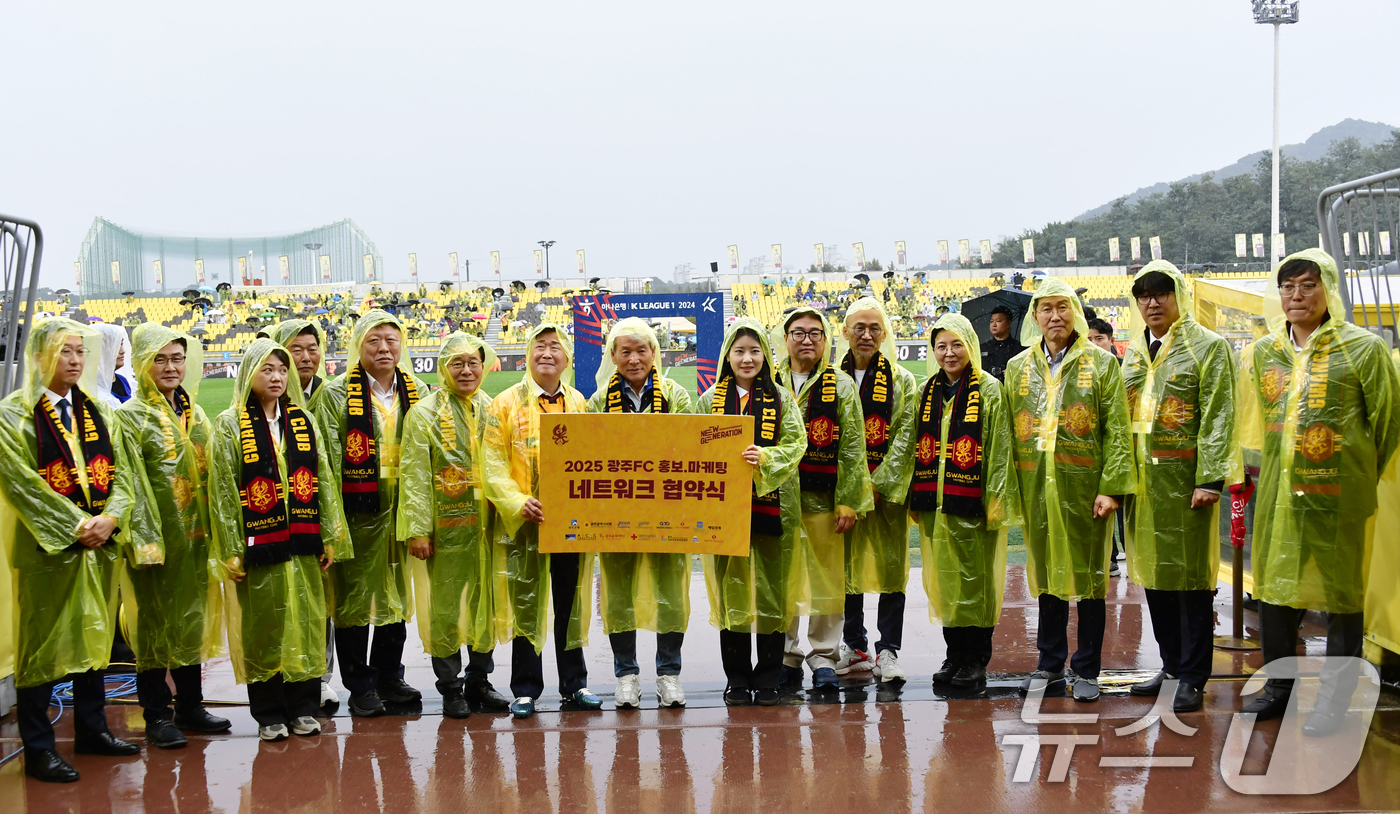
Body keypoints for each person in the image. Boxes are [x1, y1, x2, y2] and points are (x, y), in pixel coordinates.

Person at [1237, 249, 1400, 734]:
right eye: (1288, 287)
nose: (1296, 296)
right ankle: (1279, 688)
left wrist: (1355, 474)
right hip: (1279, 497)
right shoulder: (1264, 352)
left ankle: (1335, 699)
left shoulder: (1362, 349)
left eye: (1308, 285)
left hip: (1339, 497)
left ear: (1328, 290)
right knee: (1274, 593)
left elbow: (1388, 424)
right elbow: (1252, 424)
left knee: (1342, 598)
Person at [0, 318, 141, 782]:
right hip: (48, 549)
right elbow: (23, 486)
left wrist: (112, 518)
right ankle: (39, 746)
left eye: (81, 352)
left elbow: (123, 475)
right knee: (41, 645)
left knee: (94, 637)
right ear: (41, 355)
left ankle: (92, 730)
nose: (76, 360)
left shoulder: (99, 411)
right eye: (65, 351)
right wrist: (80, 524)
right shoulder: (13, 415)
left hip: (99, 547)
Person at [208, 339, 351, 741]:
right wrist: (232, 550)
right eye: (267, 369)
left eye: (281, 370)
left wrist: (330, 536)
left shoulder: (302, 421)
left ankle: (303, 707)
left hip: (303, 539)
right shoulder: (229, 424)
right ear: (249, 373)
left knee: (306, 622)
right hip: (260, 542)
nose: (276, 377)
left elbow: (322, 482)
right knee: (265, 624)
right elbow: (222, 492)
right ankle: (269, 712)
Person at [1006, 278, 1134, 702]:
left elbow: (1117, 429)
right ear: (1035, 316)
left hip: (1085, 491)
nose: (1055, 316)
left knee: (1091, 579)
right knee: (1046, 578)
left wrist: (1111, 488)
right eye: (1046, 309)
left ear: (1074, 313)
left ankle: (1088, 668)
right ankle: (1049, 664)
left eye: (1063, 307)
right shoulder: (1018, 367)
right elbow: (1009, 435)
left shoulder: (1101, 364)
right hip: (1036, 490)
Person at [1120, 262, 1238, 713]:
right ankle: (1171, 664)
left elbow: (1219, 415)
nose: (1152, 303)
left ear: (1178, 297)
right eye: (1144, 296)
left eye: (1161, 294)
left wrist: (1210, 478)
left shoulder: (1209, 348)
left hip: (1187, 482)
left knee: (1191, 582)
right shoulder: (1134, 352)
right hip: (1144, 486)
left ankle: (1193, 674)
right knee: (1155, 578)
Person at [117, 325, 230, 749]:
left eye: (177, 359)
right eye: (160, 360)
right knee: (155, 625)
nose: (170, 367)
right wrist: (145, 540)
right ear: (143, 364)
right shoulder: (129, 417)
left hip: (197, 540)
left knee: (190, 622)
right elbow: (129, 483)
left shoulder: (194, 413)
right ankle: (156, 714)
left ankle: (190, 706)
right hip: (157, 542)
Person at [312, 309, 428, 716]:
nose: (383, 348)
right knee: (355, 601)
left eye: (391, 339)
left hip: (403, 511)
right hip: (357, 511)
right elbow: (324, 460)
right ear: (358, 347)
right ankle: (359, 684)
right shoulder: (336, 394)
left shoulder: (418, 390)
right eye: (373, 340)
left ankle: (387, 677)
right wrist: (333, 522)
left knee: (395, 597)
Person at [483, 323, 601, 718]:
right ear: (528, 355)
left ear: (567, 358)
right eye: (540, 346)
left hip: (569, 525)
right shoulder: (505, 403)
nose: (547, 353)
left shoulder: (580, 402)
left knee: (569, 605)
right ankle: (526, 688)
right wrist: (518, 502)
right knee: (527, 606)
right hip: (525, 525)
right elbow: (493, 465)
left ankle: (575, 684)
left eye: (555, 347)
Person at [398, 333, 512, 718]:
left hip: (488, 529)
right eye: (457, 363)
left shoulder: (494, 408)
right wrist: (417, 529)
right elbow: (413, 475)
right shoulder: (424, 414)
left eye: (473, 362)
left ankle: (479, 680)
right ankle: (450, 688)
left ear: (484, 366)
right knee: (446, 607)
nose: (466, 371)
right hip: (444, 532)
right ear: (444, 368)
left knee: (485, 604)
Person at [586, 318, 695, 708]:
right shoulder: (599, 402)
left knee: (671, 594)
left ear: (655, 354)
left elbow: (687, 451)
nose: (634, 359)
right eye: (625, 351)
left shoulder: (678, 396)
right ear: (612, 356)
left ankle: (669, 674)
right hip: (616, 513)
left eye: (642, 350)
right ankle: (626, 675)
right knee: (618, 595)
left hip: (667, 512)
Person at [697, 318, 806, 705]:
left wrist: (767, 456)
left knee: (774, 592)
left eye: (755, 351)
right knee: (732, 592)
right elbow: (695, 449)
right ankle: (738, 678)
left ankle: (769, 677)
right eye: (740, 351)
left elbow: (797, 442)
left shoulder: (780, 397)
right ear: (728, 356)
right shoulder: (709, 400)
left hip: (774, 505)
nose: (747, 359)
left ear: (765, 355)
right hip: (725, 510)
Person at [914, 314, 1022, 688]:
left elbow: (1000, 449)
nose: (948, 353)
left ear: (970, 347)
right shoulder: (926, 391)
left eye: (956, 344)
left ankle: (976, 660)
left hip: (973, 502)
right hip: (937, 504)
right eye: (941, 346)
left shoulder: (989, 390)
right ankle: (954, 655)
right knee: (946, 583)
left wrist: (996, 500)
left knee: (975, 583)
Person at [775, 307, 873, 690]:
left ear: (826, 339)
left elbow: (852, 446)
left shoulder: (842, 385)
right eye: (798, 333)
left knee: (825, 581)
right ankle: (785, 653)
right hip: (780, 499)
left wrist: (849, 499)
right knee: (782, 580)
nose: (807, 340)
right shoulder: (772, 382)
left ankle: (824, 655)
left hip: (824, 498)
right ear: (785, 339)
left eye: (815, 333)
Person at [836, 298, 916, 683]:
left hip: (887, 494)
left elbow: (905, 439)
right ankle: (854, 643)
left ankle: (888, 649)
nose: (866, 335)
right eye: (859, 327)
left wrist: (879, 484)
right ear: (845, 331)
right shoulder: (832, 378)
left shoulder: (902, 380)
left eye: (874, 328)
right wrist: (850, 489)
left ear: (884, 334)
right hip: (844, 495)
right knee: (845, 567)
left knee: (890, 569)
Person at [273, 318, 337, 713]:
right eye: (295, 349)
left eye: (312, 348)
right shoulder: (259, 402)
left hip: (318, 517)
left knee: (323, 604)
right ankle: (281, 674)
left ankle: (320, 678)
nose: (305, 356)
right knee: (282, 600)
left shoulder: (331, 397)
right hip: (276, 520)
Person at [274, 319, 328, 401]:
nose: (306, 358)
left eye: (312, 349)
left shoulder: (330, 394)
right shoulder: (268, 397)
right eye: (297, 350)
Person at [93, 323, 137, 407]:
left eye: (121, 344)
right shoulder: (92, 390)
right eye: (116, 346)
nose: (123, 351)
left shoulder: (125, 381)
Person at [980, 305, 1023, 381]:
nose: (994, 325)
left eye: (998, 321)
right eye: (991, 321)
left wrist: (1014, 373)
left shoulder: (1020, 349)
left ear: (1009, 324)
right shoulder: (982, 348)